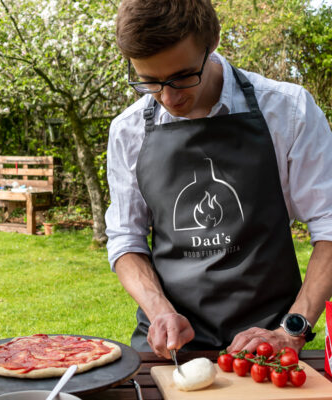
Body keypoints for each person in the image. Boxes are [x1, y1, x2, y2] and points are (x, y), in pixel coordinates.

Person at [105, 0, 332, 359]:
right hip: (172, 346)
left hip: (269, 342)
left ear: (212, 42)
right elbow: (125, 238)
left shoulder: (288, 111)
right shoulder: (127, 130)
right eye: (149, 82)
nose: (168, 97)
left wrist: (293, 328)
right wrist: (159, 310)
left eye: (182, 76)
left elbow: (329, 228)